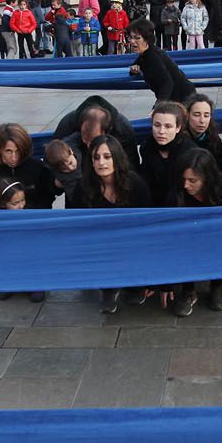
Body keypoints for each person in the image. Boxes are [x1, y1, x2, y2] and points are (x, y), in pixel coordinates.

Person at [74, 134, 152, 313]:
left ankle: (135, 283)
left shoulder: (135, 184)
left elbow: (147, 221)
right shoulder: (83, 187)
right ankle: (108, 288)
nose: (101, 162)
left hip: (132, 240)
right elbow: (77, 222)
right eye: (96, 157)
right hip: (100, 243)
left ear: (117, 158)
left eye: (107, 157)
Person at [171, 148, 222, 316]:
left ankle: (217, 285)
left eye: (192, 180)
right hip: (189, 240)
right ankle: (188, 290)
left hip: (220, 239)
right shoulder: (177, 193)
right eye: (184, 179)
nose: (186, 185)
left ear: (206, 178)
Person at [136, 100, 192, 207]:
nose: (161, 131)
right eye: (157, 125)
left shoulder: (189, 151)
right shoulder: (146, 148)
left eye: (168, 126)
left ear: (178, 128)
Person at [128, 23, 196, 104]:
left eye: (137, 38)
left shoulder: (153, 56)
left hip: (183, 98)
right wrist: (133, 70)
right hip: (175, 98)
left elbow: (167, 82)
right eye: (131, 37)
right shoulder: (146, 54)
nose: (132, 41)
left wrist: (159, 105)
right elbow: (138, 63)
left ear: (147, 39)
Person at [183, 92, 222, 170]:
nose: (202, 120)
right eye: (196, 115)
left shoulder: (214, 140)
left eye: (206, 115)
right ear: (187, 115)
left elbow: (221, 170)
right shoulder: (179, 140)